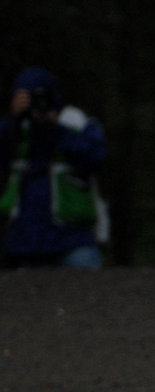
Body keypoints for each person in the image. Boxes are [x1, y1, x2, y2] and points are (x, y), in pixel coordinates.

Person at [0, 66, 107, 269]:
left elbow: (96, 158)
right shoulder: (14, 130)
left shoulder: (75, 123)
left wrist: (55, 128)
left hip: (73, 239)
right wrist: (12, 121)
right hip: (23, 242)